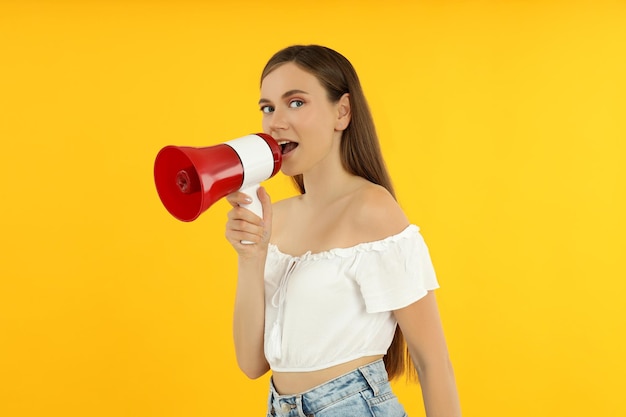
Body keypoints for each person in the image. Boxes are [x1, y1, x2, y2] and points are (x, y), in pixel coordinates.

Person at [225, 45, 461, 417]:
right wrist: (250, 257)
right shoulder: (277, 216)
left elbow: (433, 363)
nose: (275, 122)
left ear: (342, 111)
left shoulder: (373, 210)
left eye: (296, 103)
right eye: (267, 107)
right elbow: (252, 364)